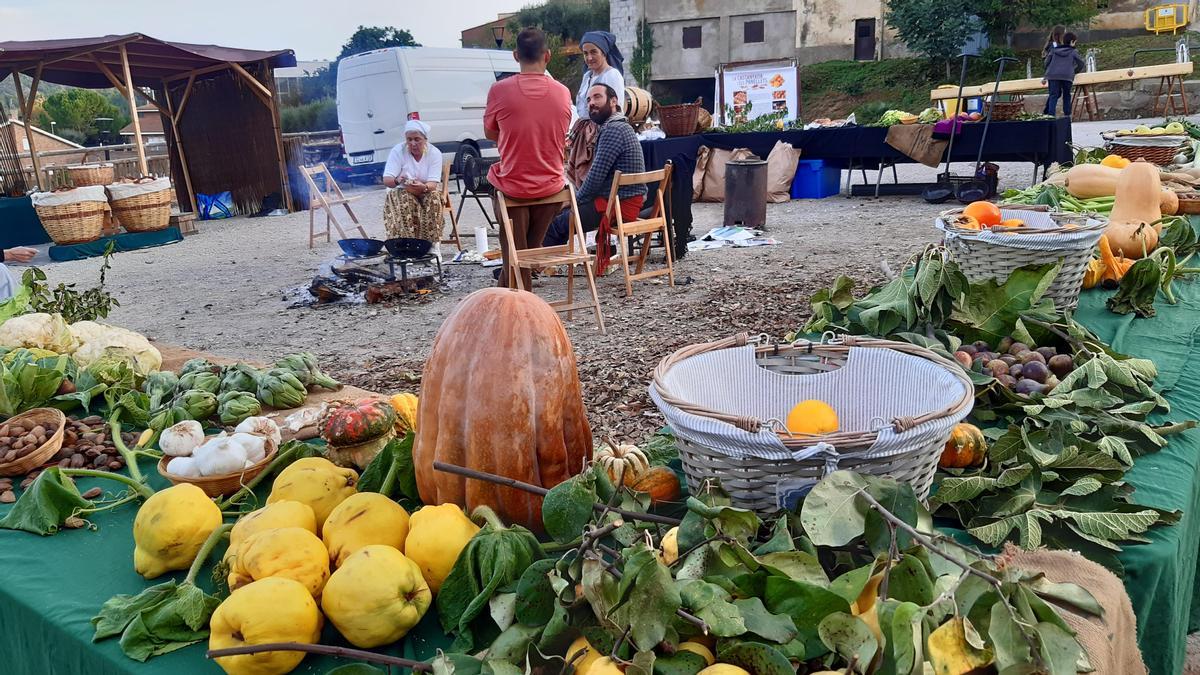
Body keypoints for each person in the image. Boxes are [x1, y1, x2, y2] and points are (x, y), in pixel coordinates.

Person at [484, 26, 573, 289]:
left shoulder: (499, 90)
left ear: (515, 56)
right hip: (551, 187)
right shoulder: (563, 92)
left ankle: (516, 297)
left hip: (514, 186)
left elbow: (490, 133)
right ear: (547, 56)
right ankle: (522, 275)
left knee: (514, 249)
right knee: (523, 250)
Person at [544, 84, 646, 276]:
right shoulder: (619, 127)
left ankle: (527, 269)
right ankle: (536, 265)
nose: (591, 103)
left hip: (616, 207)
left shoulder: (613, 130)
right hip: (620, 202)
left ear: (614, 102)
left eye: (597, 97)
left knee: (557, 223)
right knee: (559, 218)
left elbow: (595, 178)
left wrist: (573, 202)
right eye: (589, 100)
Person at [382, 119, 444, 243]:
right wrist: (397, 180)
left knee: (434, 198)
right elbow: (387, 180)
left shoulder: (434, 153)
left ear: (425, 140)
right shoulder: (398, 151)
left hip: (425, 190)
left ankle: (432, 245)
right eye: (409, 139)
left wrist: (424, 187)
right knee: (403, 199)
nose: (413, 143)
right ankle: (408, 244)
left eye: (417, 139)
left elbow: (433, 183)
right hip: (403, 190)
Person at [575, 31, 626, 120]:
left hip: (605, 129)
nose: (589, 58)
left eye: (594, 52)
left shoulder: (612, 75)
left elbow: (616, 111)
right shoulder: (587, 76)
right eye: (585, 53)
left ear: (604, 53)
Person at [1044, 32, 1084, 117]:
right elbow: (1081, 63)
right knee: (1066, 95)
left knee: (1053, 95)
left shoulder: (1054, 50)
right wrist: (1074, 71)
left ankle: (1051, 116)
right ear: (1072, 42)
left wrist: (1048, 71)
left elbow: (1046, 62)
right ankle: (1067, 115)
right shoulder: (1073, 51)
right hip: (1067, 76)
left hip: (1053, 75)